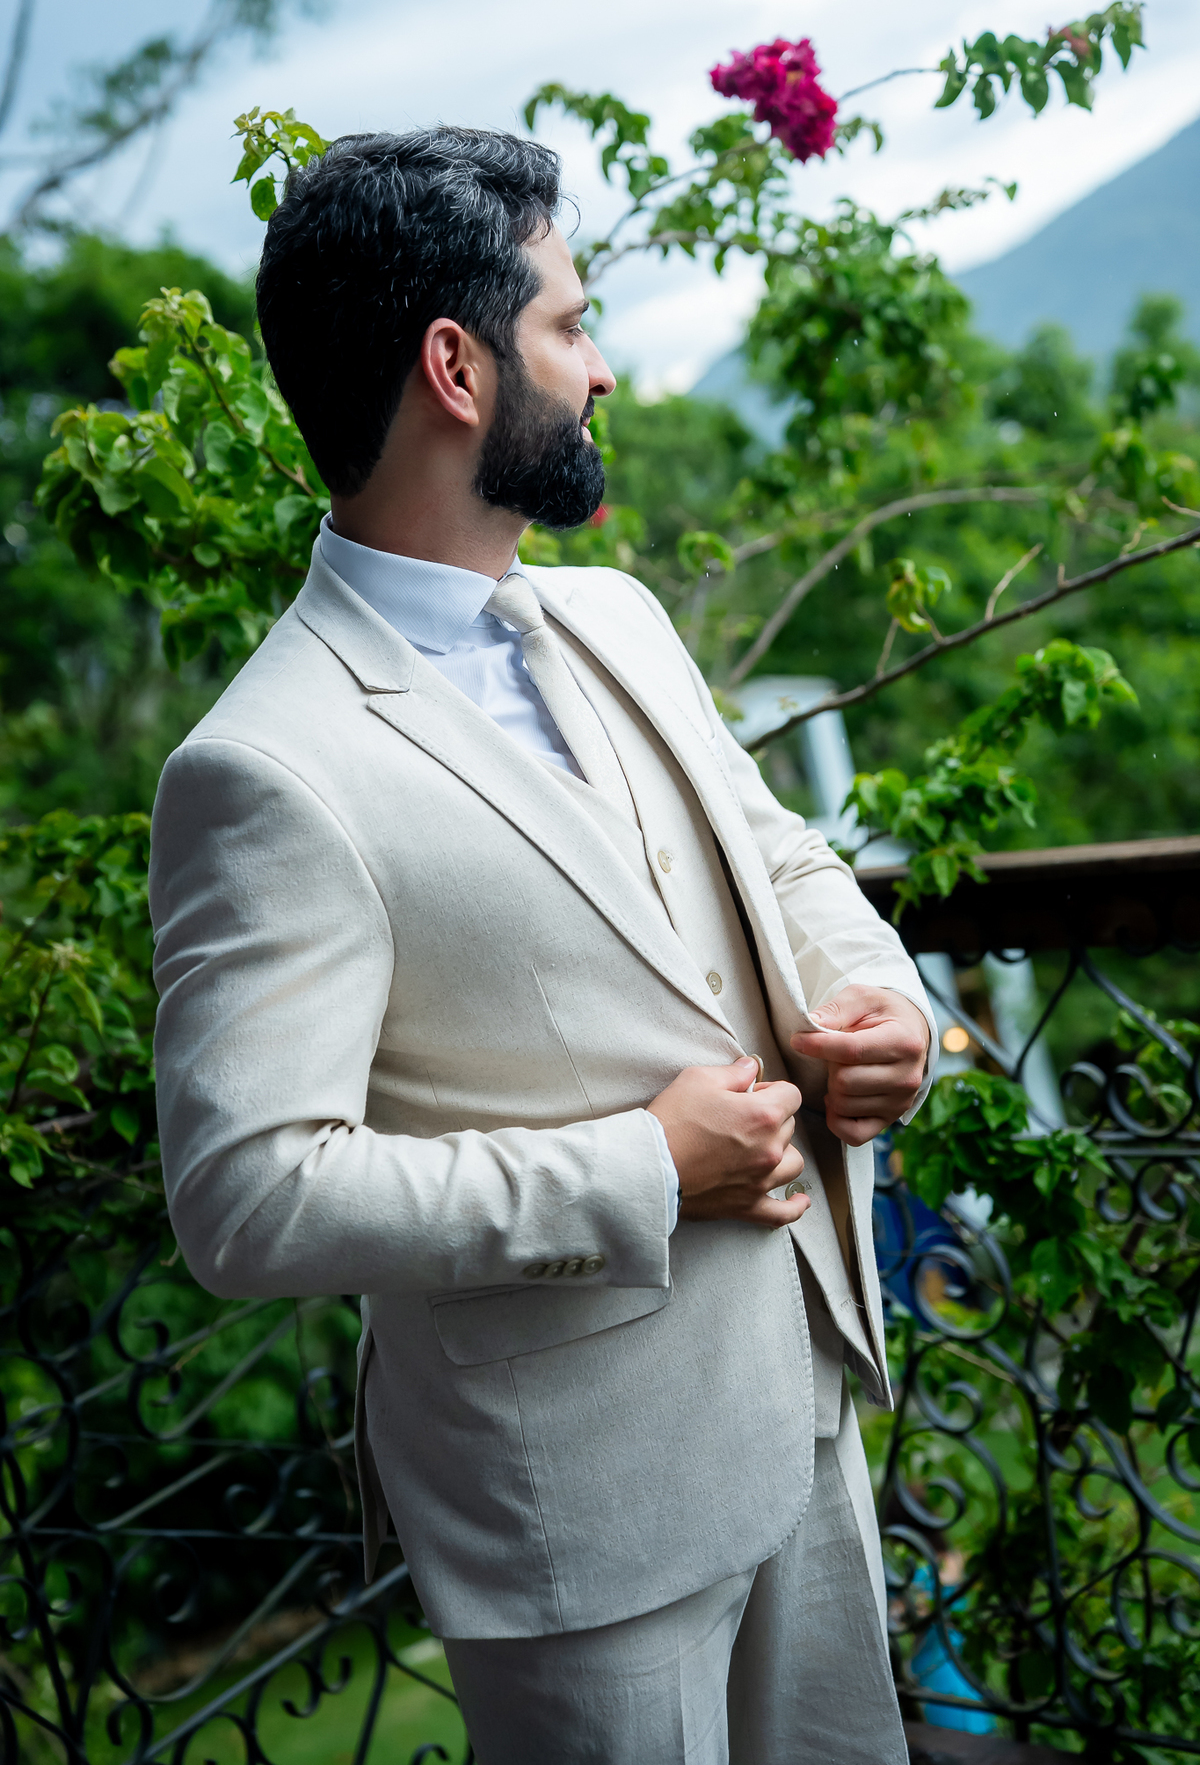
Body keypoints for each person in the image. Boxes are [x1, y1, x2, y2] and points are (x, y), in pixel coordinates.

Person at [149, 126, 937, 1765]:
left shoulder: (613, 613)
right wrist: (643, 1169)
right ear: (456, 367)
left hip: (801, 1396)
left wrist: (883, 1000)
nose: (602, 369)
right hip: (584, 1515)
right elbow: (249, 1197)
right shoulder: (265, 769)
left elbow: (776, 849)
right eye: (570, 326)